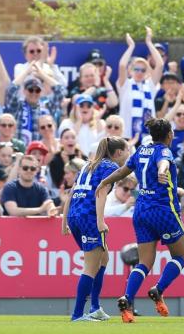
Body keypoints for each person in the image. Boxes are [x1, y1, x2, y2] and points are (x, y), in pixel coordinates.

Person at [96, 118, 184, 323]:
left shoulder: (141, 151)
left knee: (145, 262)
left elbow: (122, 171)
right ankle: (159, 288)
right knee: (181, 256)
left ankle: (127, 298)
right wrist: (163, 171)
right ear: (169, 135)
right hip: (164, 211)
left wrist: (105, 180)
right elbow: (163, 161)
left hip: (141, 212)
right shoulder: (164, 151)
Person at [63, 137, 130, 321]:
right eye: (127, 151)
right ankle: (78, 314)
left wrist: (64, 222)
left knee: (104, 257)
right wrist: (100, 221)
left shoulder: (88, 165)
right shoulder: (111, 168)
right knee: (90, 267)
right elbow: (101, 193)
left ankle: (94, 307)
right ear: (117, 153)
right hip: (89, 218)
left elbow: (72, 192)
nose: (128, 156)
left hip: (75, 216)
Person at [117, 28, 164, 141]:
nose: (139, 72)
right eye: (136, 69)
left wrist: (149, 42)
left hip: (146, 136)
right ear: (130, 70)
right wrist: (131, 46)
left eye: (143, 70)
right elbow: (122, 65)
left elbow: (160, 64)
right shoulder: (126, 84)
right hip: (127, 136)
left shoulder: (150, 86)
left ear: (147, 72)